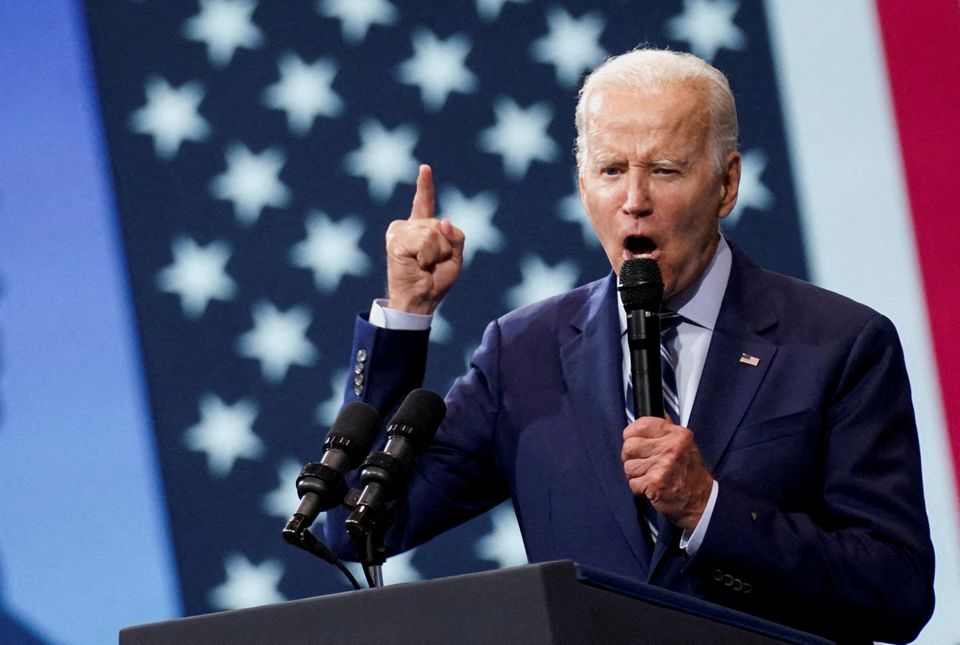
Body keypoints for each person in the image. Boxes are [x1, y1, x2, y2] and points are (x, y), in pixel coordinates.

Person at [325, 48, 934, 643]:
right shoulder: (523, 352)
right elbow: (358, 524)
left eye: (665, 170)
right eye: (611, 170)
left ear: (726, 184)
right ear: (583, 183)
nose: (634, 199)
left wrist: (709, 509)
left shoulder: (839, 344)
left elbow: (897, 591)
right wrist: (407, 314)